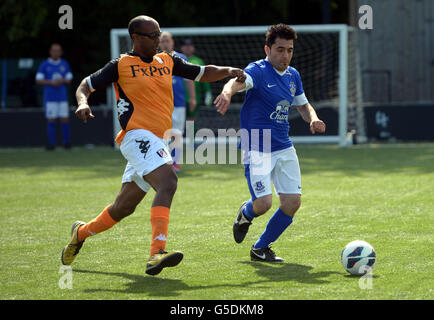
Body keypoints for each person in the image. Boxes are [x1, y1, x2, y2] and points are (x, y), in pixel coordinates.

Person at [61, 15, 246, 276]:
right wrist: (82, 102)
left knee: (123, 208)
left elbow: (202, 73)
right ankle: (156, 253)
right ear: (136, 38)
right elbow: (85, 85)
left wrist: (228, 71)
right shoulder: (121, 64)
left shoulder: (167, 59)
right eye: (152, 36)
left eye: (159, 34)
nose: (158, 40)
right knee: (168, 182)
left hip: (157, 140)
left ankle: (79, 233)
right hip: (135, 136)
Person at [214, 24, 326, 262]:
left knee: (292, 203)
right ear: (268, 49)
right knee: (263, 204)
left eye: (289, 50)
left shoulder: (293, 75)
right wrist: (226, 92)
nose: (285, 55)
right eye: (280, 50)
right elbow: (238, 81)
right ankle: (245, 214)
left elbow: (303, 105)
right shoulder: (258, 70)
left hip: (283, 145)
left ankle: (260, 248)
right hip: (256, 144)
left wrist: (313, 118)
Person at [159, 31, 196, 172]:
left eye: (167, 40)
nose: (165, 43)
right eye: (162, 41)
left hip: (178, 102)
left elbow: (189, 80)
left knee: (177, 133)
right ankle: (163, 162)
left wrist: (192, 98)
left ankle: (175, 162)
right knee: (162, 133)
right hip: (160, 104)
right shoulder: (155, 59)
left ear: (172, 42)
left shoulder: (180, 58)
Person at [36, 43, 73, 150]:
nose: (56, 52)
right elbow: (38, 80)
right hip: (50, 98)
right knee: (51, 120)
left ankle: (67, 143)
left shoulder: (64, 64)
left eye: (58, 50)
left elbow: (69, 79)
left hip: (62, 97)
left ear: (61, 52)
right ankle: (51, 144)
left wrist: (62, 80)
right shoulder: (45, 64)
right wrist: (51, 83)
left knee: (64, 120)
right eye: (54, 50)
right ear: (50, 52)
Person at [180, 39, 213, 122]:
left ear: (193, 48)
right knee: (177, 121)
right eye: (185, 45)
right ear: (181, 48)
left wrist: (208, 92)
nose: (188, 48)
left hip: (195, 97)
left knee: (191, 121)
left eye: (190, 46)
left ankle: (190, 135)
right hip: (178, 97)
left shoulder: (199, 61)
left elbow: (205, 78)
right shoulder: (177, 60)